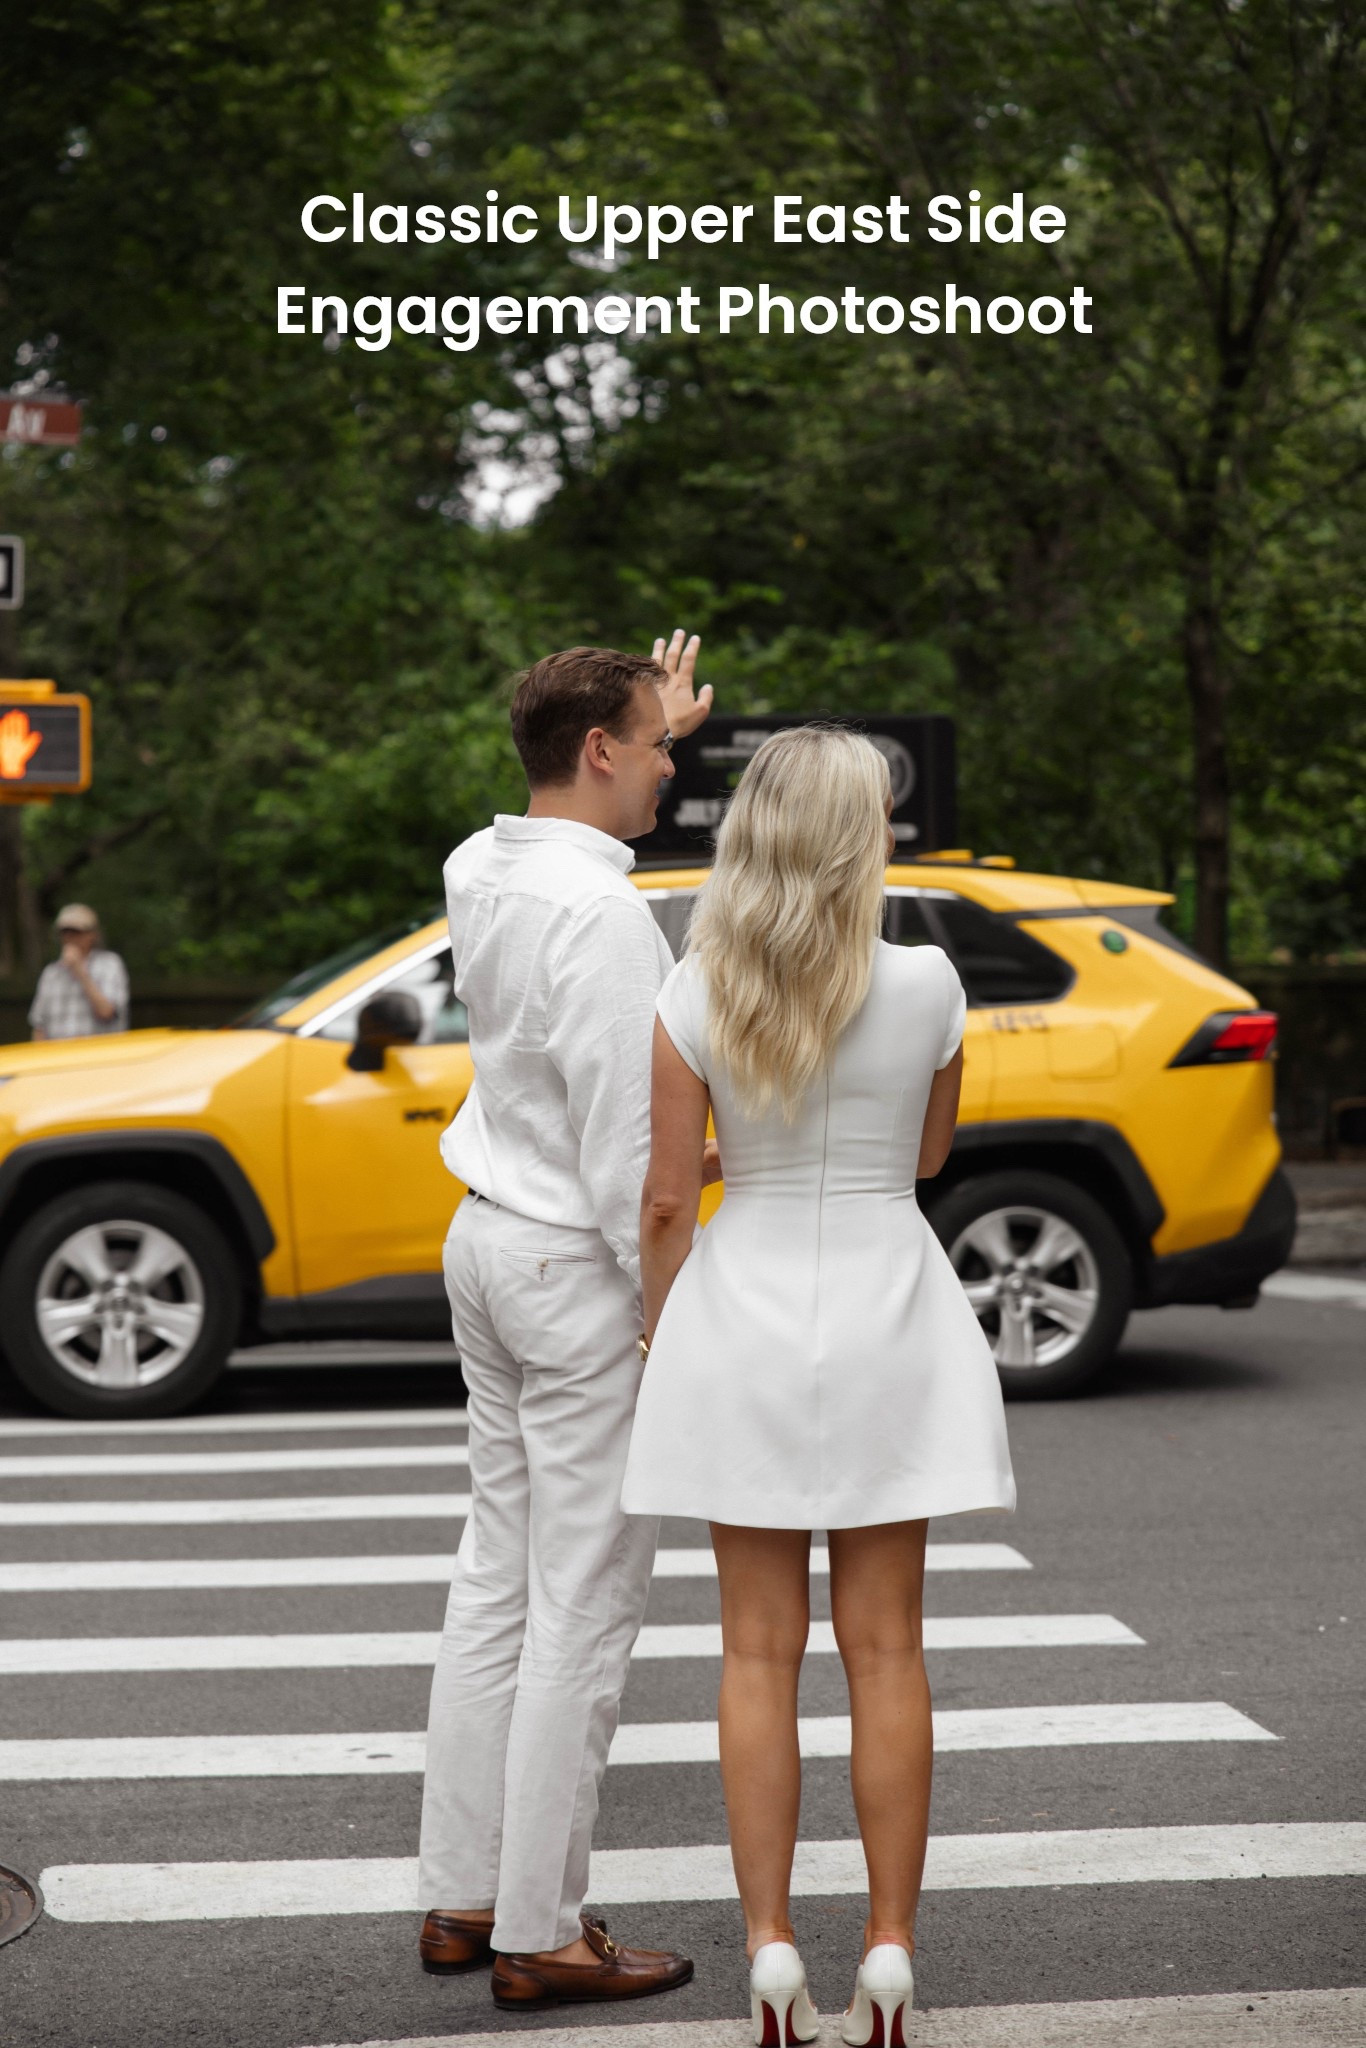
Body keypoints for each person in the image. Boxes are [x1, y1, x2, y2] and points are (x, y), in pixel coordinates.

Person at [621, 726, 1016, 2048]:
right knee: (887, 1647)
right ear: (866, 839)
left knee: (753, 1651)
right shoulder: (928, 984)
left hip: (742, 1313)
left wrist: (658, 1339)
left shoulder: (693, 995)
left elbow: (670, 1200)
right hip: (887, 1306)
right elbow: (929, 1151)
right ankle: (891, 1953)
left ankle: (773, 1952)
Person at [417, 633, 718, 2013]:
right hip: (567, 1265)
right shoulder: (604, 920)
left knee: (495, 1577)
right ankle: (544, 1930)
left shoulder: (479, 867)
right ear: (599, 750)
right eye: (657, 744)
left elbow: (565, 829)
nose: (672, 765)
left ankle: (466, 1893)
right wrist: (668, 1324)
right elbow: (628, 1166)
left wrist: (655, 705)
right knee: (583, 1607)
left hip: (481, 1237)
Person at [29, 904, 130, 1041]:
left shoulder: (110, 964)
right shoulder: (51, 973)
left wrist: (79, 971)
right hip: (58, 1057)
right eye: (65, 932)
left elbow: (106, 1012)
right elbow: (39, 1026)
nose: (69, 937)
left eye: (76, 932)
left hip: (100, 1056)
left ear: (92, 935)